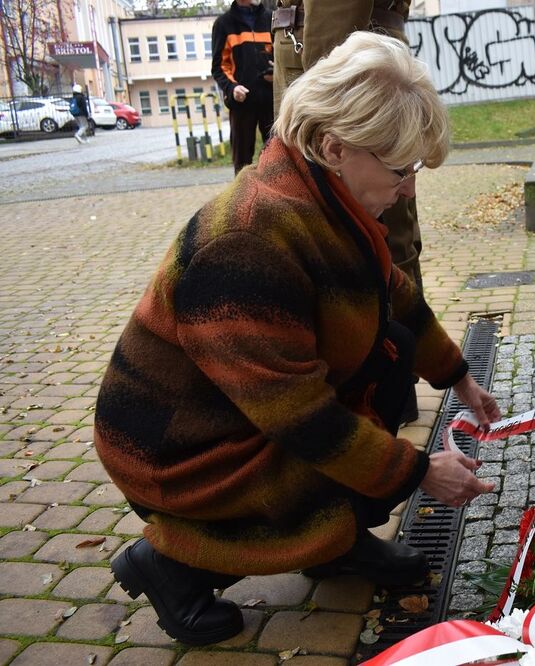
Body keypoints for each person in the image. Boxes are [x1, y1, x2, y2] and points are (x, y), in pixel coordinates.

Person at [96, 32, 500, 646]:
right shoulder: (249, 243)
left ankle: (333, 547)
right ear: (336, 146)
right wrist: (417, 471)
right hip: (177, 451)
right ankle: (172, 565)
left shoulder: (323, 197)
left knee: (387, 354)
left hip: (237, 413)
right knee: (337, 464)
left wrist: (458, 377)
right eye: (402, 170)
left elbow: (393, 294)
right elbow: (303, 419)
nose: (411, 187)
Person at [271, 0, 424, 421]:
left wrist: (327, 97)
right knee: (363, 235)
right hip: (342, 51)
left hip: (336, 57)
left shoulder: (334, 129)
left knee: (359, 234)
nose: (411, 185)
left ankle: (375, 390)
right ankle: (381, 387)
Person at [212, 0, 275, 174]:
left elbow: (282, 56)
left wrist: (277, 72)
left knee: (276, 157)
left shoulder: (271, 18)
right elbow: (219, 67)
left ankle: (274, 198)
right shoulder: (224, 24)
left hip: (271, 101)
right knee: (242, 161)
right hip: (242, 102)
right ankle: (242, 198)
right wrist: (232, 88)